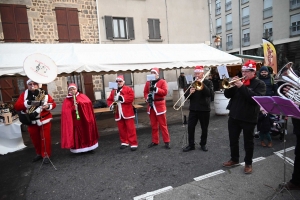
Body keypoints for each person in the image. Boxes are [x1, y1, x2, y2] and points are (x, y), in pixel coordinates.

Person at [222, 60, 266, 174]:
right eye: (243, 71)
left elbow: (254, 99)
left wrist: (241, 87)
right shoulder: (239, 82)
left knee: (248, 142)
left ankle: (248, 163)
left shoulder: (260, 84)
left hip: (249, 118)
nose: (244, 74)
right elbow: (227, 95)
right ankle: (234, 159)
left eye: (246, 71)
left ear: (253, 72)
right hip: (234, 116)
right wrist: (231, 86)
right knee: (233, 140)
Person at [14, 79, 56, 164]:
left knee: (45, 138)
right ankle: (39, 153)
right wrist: (27, 103)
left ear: (38, 85)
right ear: (27, 85)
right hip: (31, 121)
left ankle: (46, 155)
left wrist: (47, 106)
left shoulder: (44, 93)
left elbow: (53, 104)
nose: (32, 85)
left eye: (35, 84)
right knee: (35, 139)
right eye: (30, 84)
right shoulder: (24, 94)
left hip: (44, 119)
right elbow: (17, 106)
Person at [61, 83, 99, 154]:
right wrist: (73, 108)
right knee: (78, 133)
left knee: (86, 131)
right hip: (75, 120)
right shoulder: (67, 100)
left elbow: (88, 103)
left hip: (84, 119)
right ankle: (79, 148)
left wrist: (79, 103)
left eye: (74, 89)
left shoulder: (82, 96)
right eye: (71, 89)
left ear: (76, 89)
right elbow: (65, 111)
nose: (72, 91)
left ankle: (90, 147)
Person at [182, 66, 213, 152]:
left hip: (204, 109)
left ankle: (203, 144)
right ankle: (191, 145)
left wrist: (202, 85)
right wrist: (190, 92)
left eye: (198, 73)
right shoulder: (192, 82)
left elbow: (210, 94)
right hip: (193, 109)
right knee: (190, 127)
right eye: (195, 73)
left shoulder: (208, 82)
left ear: (203, 73)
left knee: (204, 128)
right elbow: (186, 95)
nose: (196, 75)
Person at [107, 75, 138, 151]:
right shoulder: (113, 91)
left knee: (131, 129)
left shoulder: (128, 89)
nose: (118, 82)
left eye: (120, 81)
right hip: (118, 112)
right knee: (121, 129)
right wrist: (111, 105)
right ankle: (124, 142)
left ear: (123, 82)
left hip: (127, 112)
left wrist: (121, 98)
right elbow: (109, 99)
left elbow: (131, 97)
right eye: (117, 81)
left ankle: (133, 143)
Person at [143, 67, 171, 149]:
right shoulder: (148, 83)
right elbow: (145, 92)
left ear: (157, 74)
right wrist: (147, 97)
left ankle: (167, 141)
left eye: (154, 73)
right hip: (151, 105)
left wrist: (156, 89)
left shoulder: (162, 81)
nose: (152, 74)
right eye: (151, 72)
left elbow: (165, 92)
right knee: (154, 125)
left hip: (159, 105)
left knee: (163, 125)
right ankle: (155, 141)